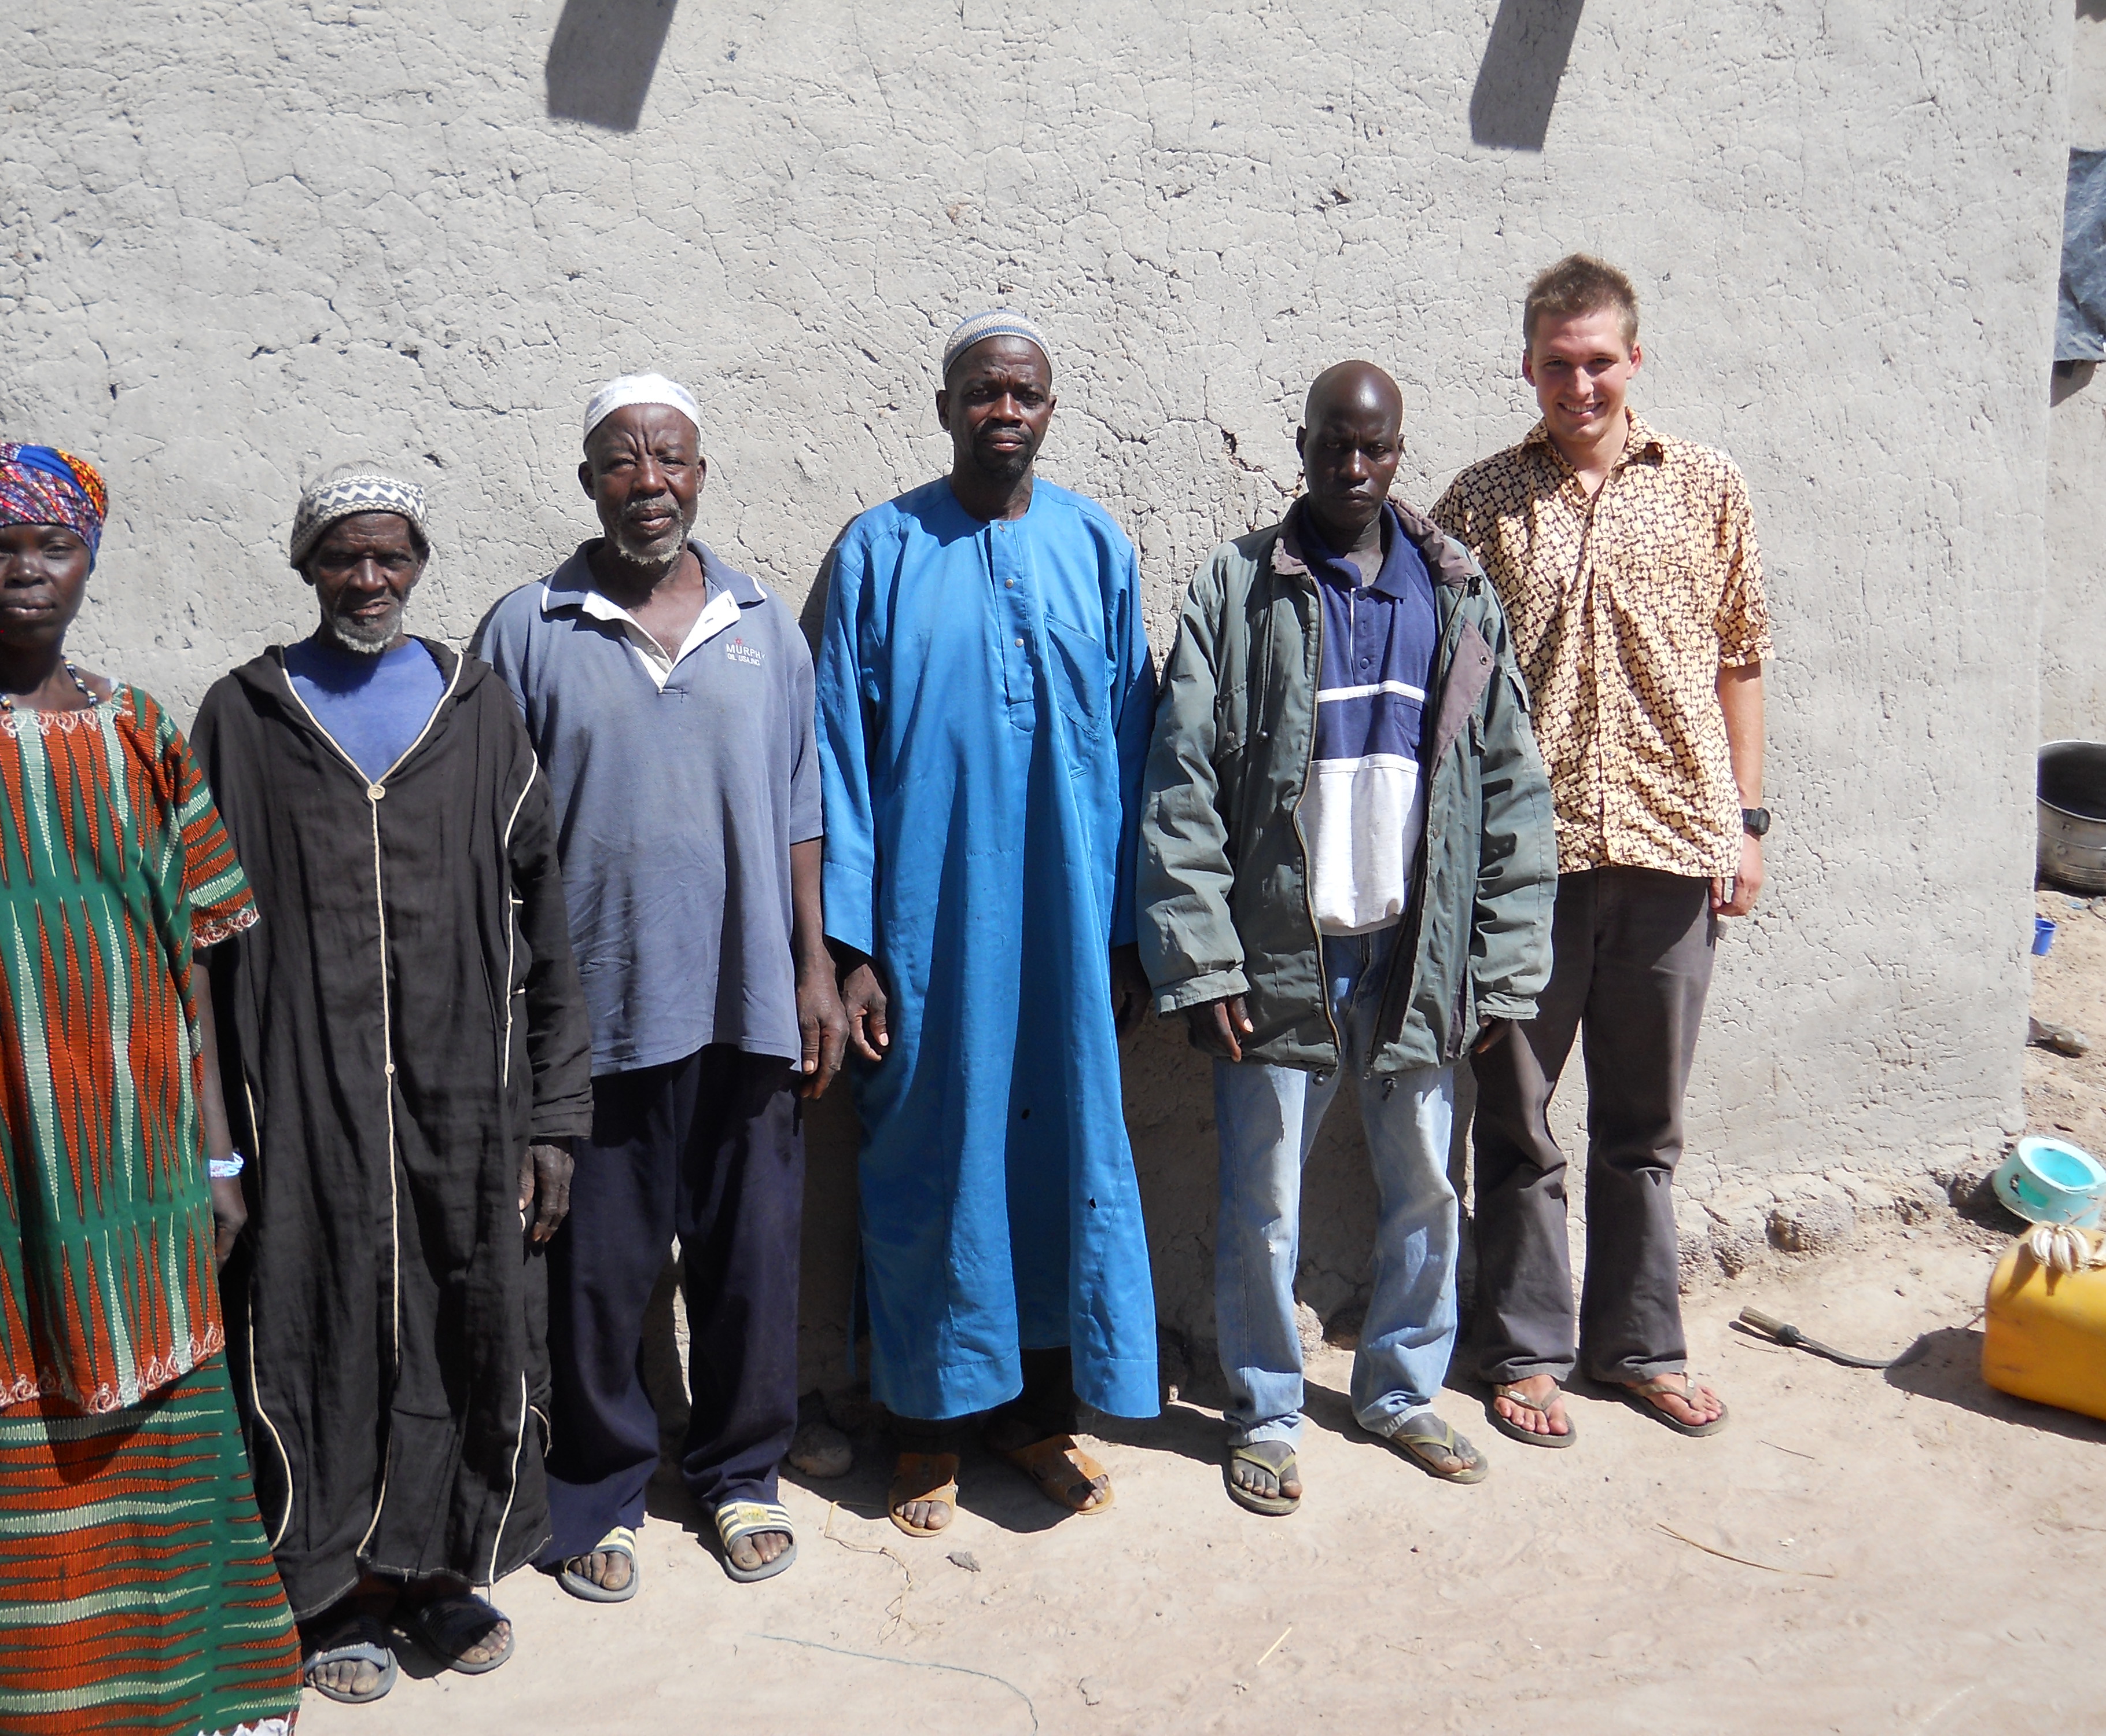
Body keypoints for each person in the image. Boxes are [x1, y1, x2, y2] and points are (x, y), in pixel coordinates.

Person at [0, 415, 301, 1736]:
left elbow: (197, 953)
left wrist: (217, 1154)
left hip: (140, 1169)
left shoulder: (138, 729)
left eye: (53, 545)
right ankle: (10, 1706)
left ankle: (183, 1698)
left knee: (160, 1439)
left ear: (90, 559)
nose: (25, 570)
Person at [192, 469, 593, 1701]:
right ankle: (331, 1592)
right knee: (313, 1326)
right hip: (299, 1102)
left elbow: (548, 922)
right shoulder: (245, 717)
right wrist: (215, 1147)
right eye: (341, 560)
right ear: (305, 567)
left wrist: (556, 1117)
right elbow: (193, 940)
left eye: (389, 558)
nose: (367, 582)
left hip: (464, 1101)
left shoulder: (476, 710)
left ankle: (437, 1575)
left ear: (418, 562)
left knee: (465, 1320)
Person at [1138, 362, 1556, 1514]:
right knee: (1262, 1195)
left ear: (1396, 452)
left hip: (1412, 950)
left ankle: (1399, 1391)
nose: (1352, 470)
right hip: (1283, 952)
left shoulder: (1456, 592)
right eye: (1333, 446)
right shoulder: (1237, 588)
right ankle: (1266, 1410)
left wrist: (1500, 966)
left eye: (1373, 450)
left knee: (1423, 1177)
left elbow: (1511, 788)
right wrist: (1203, 958)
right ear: (1303, 445)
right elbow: (1179, 787)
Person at [474, 374, 843, 1603]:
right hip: (599, 1016)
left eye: (671, 461)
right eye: (624, 463)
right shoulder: (529, 628)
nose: (651, 485)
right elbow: (497, 832)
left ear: (700, 475)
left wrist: (813, 971)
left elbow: (800, 811)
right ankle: (604, 1488)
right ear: (589, 482)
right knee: (599, 1271)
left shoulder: (760, 620)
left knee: (750, 1257)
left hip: (747, 1004)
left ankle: (742, 1473)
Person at [817, 311, 1160, 1538]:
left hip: (1068, 926)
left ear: (1048, 410)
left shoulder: (1095, 547)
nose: (1000, 411)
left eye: (1021, 393)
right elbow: (836, 763)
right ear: (946, 405)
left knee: (1063, 1149)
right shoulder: (879, 551)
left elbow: (1133, 743)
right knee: (931, 1150)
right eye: (980, 393)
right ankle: (922, 1426)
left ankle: (1036, 1412)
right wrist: (850, 950)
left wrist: (1128, 930)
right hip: (929, 926)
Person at [1433, 254, 1772, 1447]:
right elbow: (1449, 689)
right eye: (1555, 363)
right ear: (1525, 367)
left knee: (1641, 1126)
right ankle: (1521, 1350)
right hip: (1527, 867)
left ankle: (1640, 1347)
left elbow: (1739, 657)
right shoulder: (1477, 502)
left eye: (1597, 361)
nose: (1577, 384)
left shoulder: (1706, 487)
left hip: (1675, 846)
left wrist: (1743, 820)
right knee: (1516, 1120)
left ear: (1633, 361)